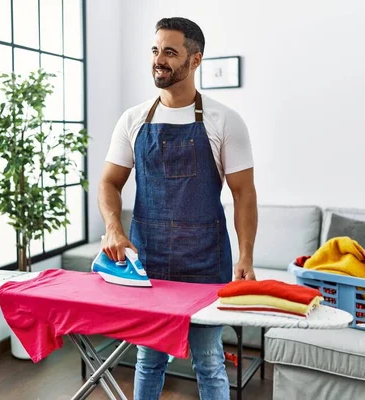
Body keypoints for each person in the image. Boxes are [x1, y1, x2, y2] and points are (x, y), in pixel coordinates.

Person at [97, 16, 258, 400]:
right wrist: (114, 228)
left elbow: (244, 194)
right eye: (155, 51)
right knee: (148, 358)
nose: (159, 60)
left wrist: (247, 257)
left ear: (195, 60)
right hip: (147, 260)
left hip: (205, 261)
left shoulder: (225, 120)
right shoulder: (133, 119)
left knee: (208, 360)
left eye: (170, 52)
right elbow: (108, 182)